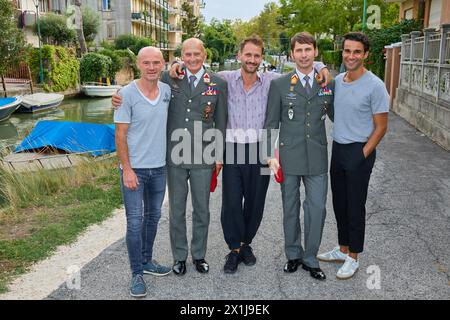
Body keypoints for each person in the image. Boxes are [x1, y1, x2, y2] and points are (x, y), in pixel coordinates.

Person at [169, 35, 331, 274]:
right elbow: (195, 66)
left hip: (261, 149)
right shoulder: (224, 79)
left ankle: (246, 244)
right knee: (232, 202)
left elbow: (303, 67)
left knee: (256, 202)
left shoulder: (272, 82)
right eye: (248, 55)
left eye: (256, 56)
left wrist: (320, 65)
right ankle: (234, 249)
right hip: (233, 148)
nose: (252, 60)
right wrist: (178, 64)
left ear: (261, 58)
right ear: (239, 56)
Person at [113, 38, 228, 276]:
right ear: (181, 57)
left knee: (202, 209)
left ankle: (199, 255)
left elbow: (222, 122)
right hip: (173, 154)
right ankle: (179, 256)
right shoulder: (169, 78)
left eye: (197, 54)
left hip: (203, 154)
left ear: (204, 55)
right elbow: (141, 85)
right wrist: (116, 98)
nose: (193, 59)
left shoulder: (217, 83)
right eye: (187, 55)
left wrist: (218, 155)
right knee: (176, 209)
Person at [317, 32, 389, 280]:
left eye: (356, 51)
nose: (351, 56)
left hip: (360, 151)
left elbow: (381, 127)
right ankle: (342, 248)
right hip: (338, 148)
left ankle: (354, 257)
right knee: (339, 202)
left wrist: (363, 153)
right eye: (347, 51)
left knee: (355, 205)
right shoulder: (338, 80)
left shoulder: (375, 86)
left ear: (365, 54)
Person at [264, 32, 334, 281]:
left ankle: (311, 258)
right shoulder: (280, 84)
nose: (303, 55)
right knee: (290, 209)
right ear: (292, 54)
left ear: (315, 52)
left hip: (317, 158)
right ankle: (293, 254)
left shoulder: (327, 83)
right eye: (299, 50)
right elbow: (270, 123)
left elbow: (338, 116)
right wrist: (267, 156)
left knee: (317, 209)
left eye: (308, 50)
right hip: (289, 157)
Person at [114, 47, 172, 298]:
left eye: (156, 62)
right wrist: (126, 168)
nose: (151, 67)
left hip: (159, 168)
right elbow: (120, 134)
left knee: (153, 217)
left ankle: (147, 261)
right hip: (135, 169)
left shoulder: (167, 91)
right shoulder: (126, 95)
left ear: (163, 64)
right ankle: (136, 272)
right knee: (135, 222)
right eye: (146, 62)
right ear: (138, 64)